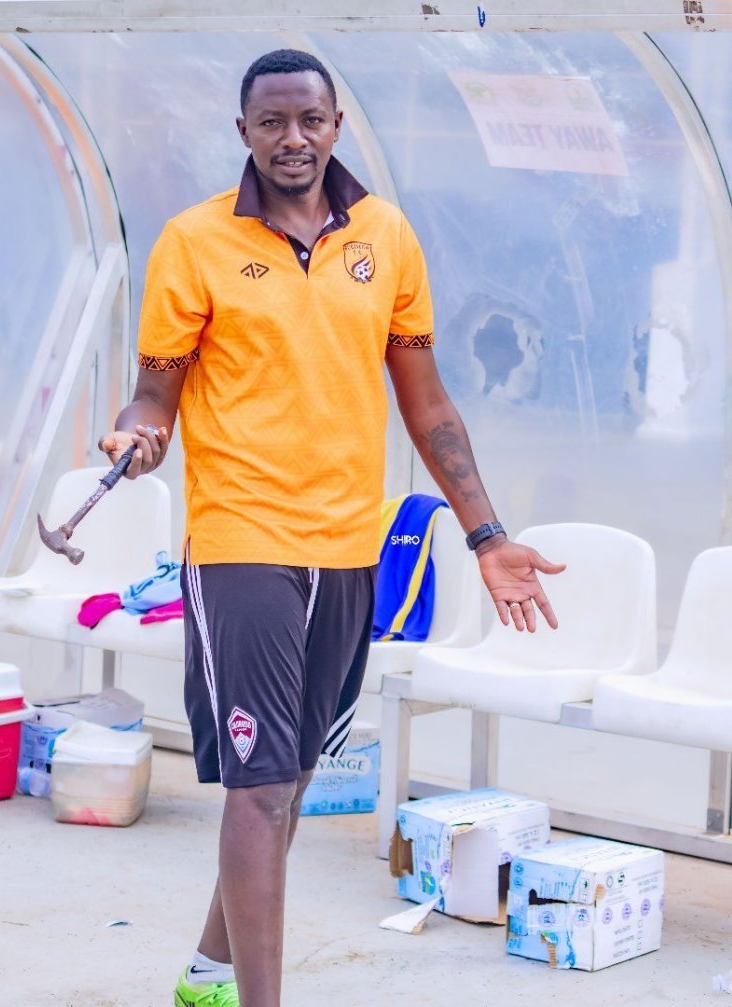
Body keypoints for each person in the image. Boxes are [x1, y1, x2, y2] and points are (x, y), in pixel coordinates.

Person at [99, 48, 565, 1007]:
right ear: (243, 132)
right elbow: (155, 395)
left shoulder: (386, 236)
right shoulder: (194, 242)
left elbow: (428, 403)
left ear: (336, 125)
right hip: (240, 543)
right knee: (261, 784)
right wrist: (137, 437)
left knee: (294, 775)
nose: (293, 139)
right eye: (271, 122)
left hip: (350, 546)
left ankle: (207, 975)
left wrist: (486, 537)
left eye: (309, 119)